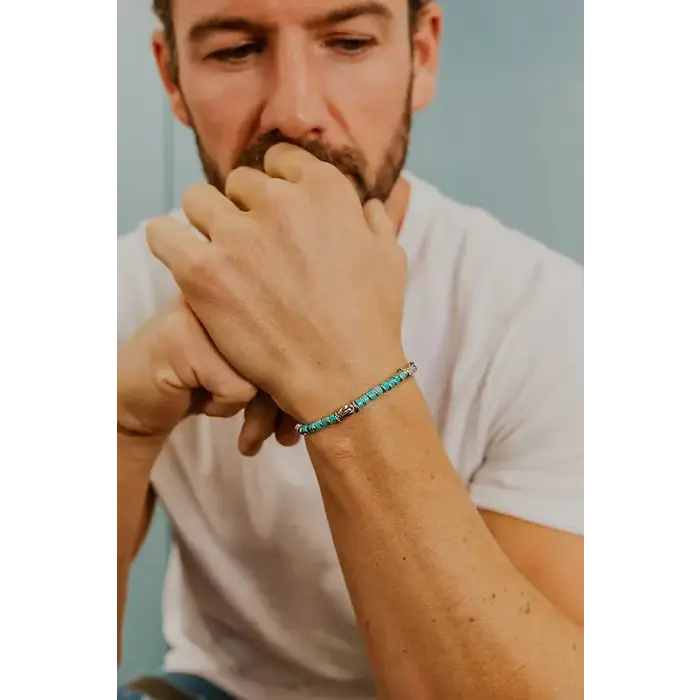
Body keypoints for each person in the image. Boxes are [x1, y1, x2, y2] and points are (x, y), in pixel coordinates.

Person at [113, 1, 584, 698]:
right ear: (172, 77)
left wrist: (350, 381)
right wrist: (126, 429)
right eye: (236, 50)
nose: (294, 113)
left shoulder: (543, 314)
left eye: (350, 42)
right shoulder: (130, 289)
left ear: (421, 54)